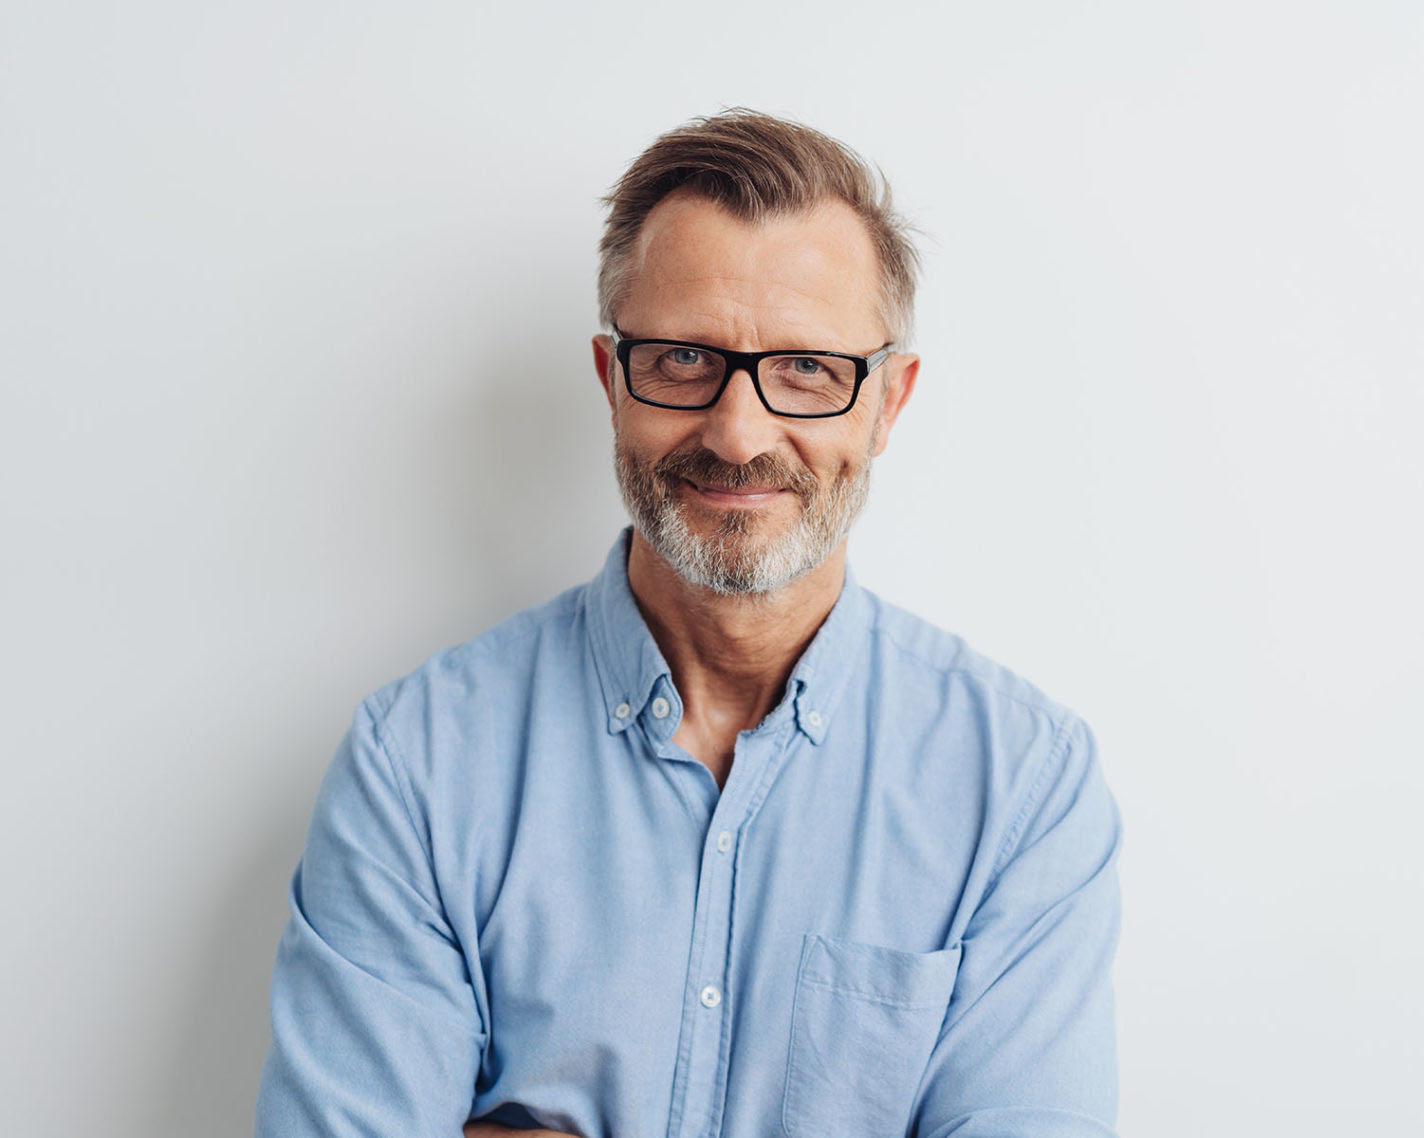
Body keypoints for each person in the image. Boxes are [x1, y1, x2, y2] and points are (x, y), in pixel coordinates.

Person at [255, 109, 1123, 1138]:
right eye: (680, 359)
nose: (739, 432)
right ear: (611, 380)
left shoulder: (1021, 790)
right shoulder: (418, 768)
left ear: (888, 403)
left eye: (807, 368)